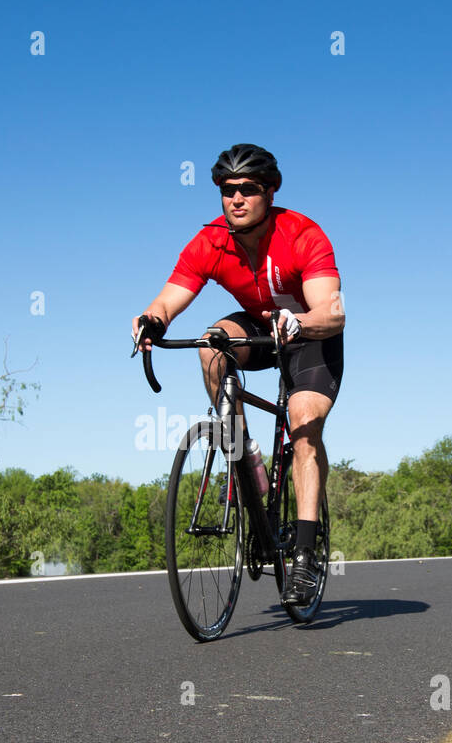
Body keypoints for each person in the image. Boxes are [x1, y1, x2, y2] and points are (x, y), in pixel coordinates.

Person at [132, 144, 345, 606]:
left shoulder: (303, 234)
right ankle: (246, 457)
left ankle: (305, 557)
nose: (237, 199)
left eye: (249, 189)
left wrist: (299, 322)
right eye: (228, 191)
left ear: (271, 192)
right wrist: (152, 320)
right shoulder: (210, 239)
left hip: (309, 332)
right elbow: (170, 297)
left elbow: (332, 312)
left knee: (303, 421)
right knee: (212, 346)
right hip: (259, 324)